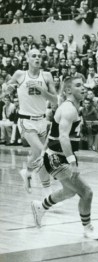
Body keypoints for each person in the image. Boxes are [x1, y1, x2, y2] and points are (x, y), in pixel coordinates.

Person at [30, 77, 98, 240]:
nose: (83, 88)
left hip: (54, 156)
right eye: (78, 85)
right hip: (57, 158)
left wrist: (43, 154)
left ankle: (40, 207)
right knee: (87, 192)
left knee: (69, 191)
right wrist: (72, 162)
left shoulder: (72, 108)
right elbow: (63, 137)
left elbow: (52, 131)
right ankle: (88, 228)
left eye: (83, 85)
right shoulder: (69, 109)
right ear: (68, 90)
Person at [6, 49, 58, 193]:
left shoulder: (46, 76)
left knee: (36, 155)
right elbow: (6, 91)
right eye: (34, 56)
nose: (37, 58)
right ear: (27, 59)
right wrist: (8, 91)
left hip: (42, 121)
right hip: (26, 121)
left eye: (39, 56)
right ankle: (48, 193)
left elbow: (55, 100)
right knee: (43, 153)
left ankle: (27, 172)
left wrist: (42, 90)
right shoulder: (20, 75)